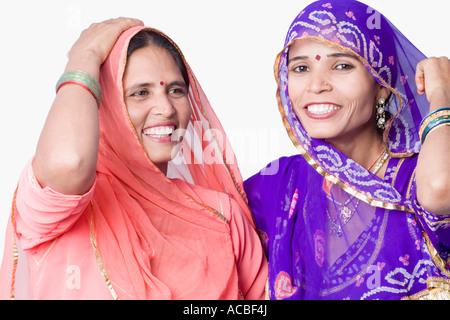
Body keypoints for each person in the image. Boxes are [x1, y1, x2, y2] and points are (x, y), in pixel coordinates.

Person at [0, 18, 267, 299]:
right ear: (105, 105)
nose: (165, 108)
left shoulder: (221, 215)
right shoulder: (60, 207)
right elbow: (70, 162)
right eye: (140, 93)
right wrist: (85, 56)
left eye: (176, 90)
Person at [244, 0, 450, 300]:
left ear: (381, 83)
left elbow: (440, 188)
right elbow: (192, 215)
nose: (316, 85)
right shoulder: (280, 183)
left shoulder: (419, 172)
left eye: (342, 65)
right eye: (301, 68)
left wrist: (442, 95)